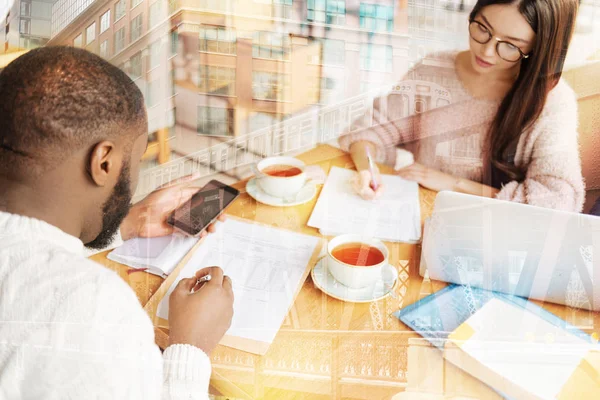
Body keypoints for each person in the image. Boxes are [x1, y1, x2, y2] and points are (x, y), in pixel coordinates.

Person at [0, 46, 233, 399]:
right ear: (104, 162)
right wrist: (191, 348)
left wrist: (127, 221)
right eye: (137, 160)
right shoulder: (95, 311)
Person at [340, 0, 584, 212]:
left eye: (511, 45)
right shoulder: (433, 70)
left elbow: (558, 200)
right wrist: (367, 170)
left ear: (536, 47)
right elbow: (368, 132)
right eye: (482, 28)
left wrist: (453, 184)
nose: (487, 52)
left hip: (492, 235)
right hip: (421, 217)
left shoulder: (552, 102)